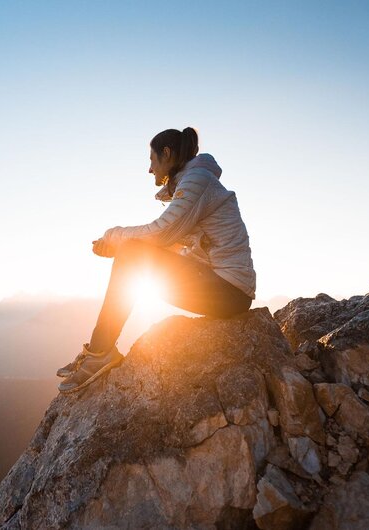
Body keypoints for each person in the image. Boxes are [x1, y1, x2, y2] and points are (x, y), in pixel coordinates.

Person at [57, 127, 256, 393]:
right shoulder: (194, 181)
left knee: (131, 252)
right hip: (222, 286)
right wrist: (120, 250)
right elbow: (170, 245)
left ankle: (100, 352)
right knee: (130, 253)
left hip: (229, 291)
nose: (150, 170)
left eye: (152, 160)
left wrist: (115, 237)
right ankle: (98, 350)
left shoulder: (198, 180)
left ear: (167, 153)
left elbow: (162, 232)